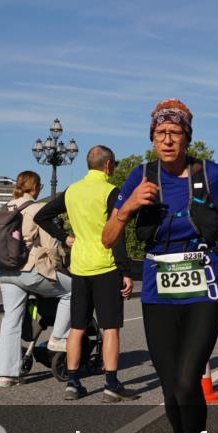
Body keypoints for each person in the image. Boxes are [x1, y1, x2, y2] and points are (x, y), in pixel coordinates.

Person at [101, 98, 218, 433]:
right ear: (152, 137)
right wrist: (126, 207)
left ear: (186, 137)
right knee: (168, 384)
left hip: (203, 283)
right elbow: (107, 238)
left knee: (186, 377)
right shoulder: (138, 176)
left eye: (175, 133)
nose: (167, 140)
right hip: (158, 287)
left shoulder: (212, 175)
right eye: (160, 133)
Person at [36, 146, 137, 403]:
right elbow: (117, 234)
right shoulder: (111, 192)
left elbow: (42, 215)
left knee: (77, 327)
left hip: (79, 267)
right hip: (105, 266)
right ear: (108, 165)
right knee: (110, 327)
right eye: (113, 165)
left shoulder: (73, 190)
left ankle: (72, 382)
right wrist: (126, 271)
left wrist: (66, 238)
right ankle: (111, 385)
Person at [0, 172, 72, 388]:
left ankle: (6, 375)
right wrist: (61, 268)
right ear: (36, 188)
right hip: (29, 270)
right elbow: (51, 247)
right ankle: (58, 338)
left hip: (5, 272)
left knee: (10, 320)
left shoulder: (4, 209)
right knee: (72, 291)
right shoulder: (37, 209)